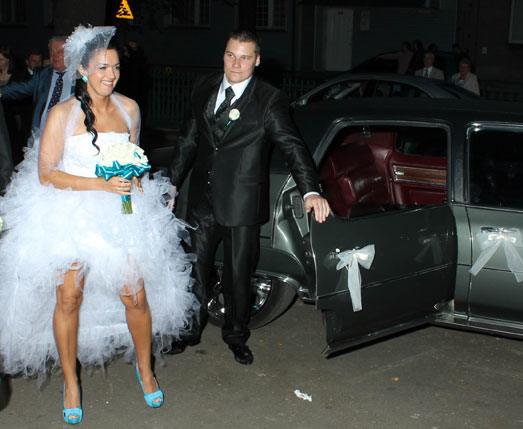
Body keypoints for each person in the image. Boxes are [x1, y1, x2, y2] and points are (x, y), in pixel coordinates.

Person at [0, 25, 197, 424]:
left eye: (116, 67)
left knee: (135, 296)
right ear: (83, 69)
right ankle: (71, 382)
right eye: (102, 67)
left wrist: (141, 186)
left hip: (120, 216)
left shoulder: (130, 109)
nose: (111, 75)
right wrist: (99, 184)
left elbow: (134, 161)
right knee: (69, 297)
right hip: (70, 213)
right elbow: (46, 174)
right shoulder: (62, 114)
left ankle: (145, 370)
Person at [167, 29, 330, 364]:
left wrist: (311, 190)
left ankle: (235, 335)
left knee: (238, 276)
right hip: (201, 200)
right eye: (230, 55)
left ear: (256, 61)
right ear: (223, 55)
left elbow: (292, 146)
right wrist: (171, 185)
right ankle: (189, 331)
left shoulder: (269, 99)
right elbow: (188, 139)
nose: (236, 64)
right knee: (194, 269)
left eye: (244, 57)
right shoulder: (204, 87)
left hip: (241, 203)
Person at [0, 35, 74, 134]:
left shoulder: (80, 76)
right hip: (42, 132)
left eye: (59, 52)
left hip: (70, 133)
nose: (54, 56)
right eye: (51, 52)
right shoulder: (43, 75)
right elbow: (21, 88)